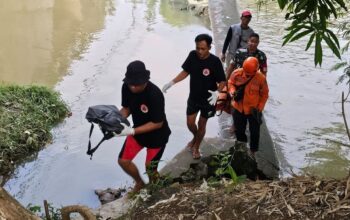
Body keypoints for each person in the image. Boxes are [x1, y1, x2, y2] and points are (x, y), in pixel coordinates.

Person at [162, 34, 226, 159]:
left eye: (203, 49)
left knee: (202, 124)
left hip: (209, 99)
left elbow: (223, 81)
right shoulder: (192, 55)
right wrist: (172, 82)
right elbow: (186, 71)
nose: (200, 52)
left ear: (209, 47)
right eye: (198, 48)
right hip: (194, 97)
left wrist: (217, 92)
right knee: (190, 123)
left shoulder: (215, 61)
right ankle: (196, 137)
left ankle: (196, 147)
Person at [116, 60, 171, 192]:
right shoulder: (126, 86)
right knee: (123, 161)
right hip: (138, 132)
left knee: (150, 169)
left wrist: (132, 131)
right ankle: (140, 182)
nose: (133, 87)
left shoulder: (155, 94)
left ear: (145, 80)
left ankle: (157, 190)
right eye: (131, 84)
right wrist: (115, 120)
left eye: (137, 84)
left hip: (157, 136)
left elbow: (158, 123)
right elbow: (127, 108)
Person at [227, 57, 269, 156]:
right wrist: (232, 92)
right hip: (238, 107)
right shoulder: (236, 73)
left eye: (249, 74)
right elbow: (230, 83)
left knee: (255, 132)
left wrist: (259, 108)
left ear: (255, 71)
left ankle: (253, 151)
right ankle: (242, 146)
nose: (246, 75)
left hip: (253, 109)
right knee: (239, 129)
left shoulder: (261, 79)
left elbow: (264, 95)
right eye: (245, 72)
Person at [221, 10, 254, 77]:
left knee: (240, 74)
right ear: (241, 18)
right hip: (231, 54)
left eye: (249, 18)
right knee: (228, 73)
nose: (247, 19)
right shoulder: (233, 28)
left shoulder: (251, 32)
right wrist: (223, 53)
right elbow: (227, 40)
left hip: (243, 57)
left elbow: (251, 46)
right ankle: (227, 85)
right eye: (245, 17)